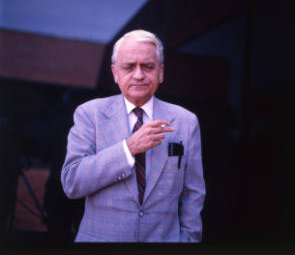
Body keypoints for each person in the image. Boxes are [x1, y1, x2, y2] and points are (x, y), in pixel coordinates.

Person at [61, 30, 205, 242]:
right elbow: (72, 183)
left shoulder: (185, 121)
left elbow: (193, 194)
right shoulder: (90, 114)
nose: (139, 75)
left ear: (161, 72)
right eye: (129, 66)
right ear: (115, 73)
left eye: (148, 66)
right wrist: (127, 149)